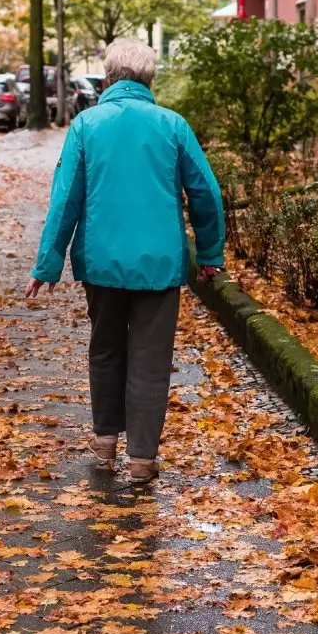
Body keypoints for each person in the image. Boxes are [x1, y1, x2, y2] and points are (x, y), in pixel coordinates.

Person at [25, 38, 225, 483]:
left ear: (108, 76)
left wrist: (47, 264)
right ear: (150, 78)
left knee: (107, 349)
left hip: (101, 263)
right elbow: (207, 193)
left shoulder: (85, 125)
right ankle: (141, 460)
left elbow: (66, 200)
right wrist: (210, 254)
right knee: (151, 360)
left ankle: (104, 442)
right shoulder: (173, 126)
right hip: (159, 264)